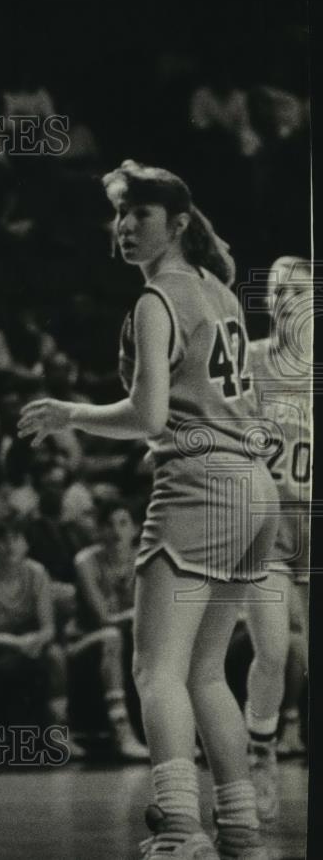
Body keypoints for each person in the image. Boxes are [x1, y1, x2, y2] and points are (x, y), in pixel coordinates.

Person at [19, 159, 277, 860]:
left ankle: (181, 827)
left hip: (200, 485)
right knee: (205, 672)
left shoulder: (156, 299)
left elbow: (149, 413)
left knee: (156, 670)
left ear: (179, 223)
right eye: (121, 213)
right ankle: (243, 829)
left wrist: (69, 411)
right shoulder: (221, 291)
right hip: (255, 487)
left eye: (142, 213)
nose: (127, 225)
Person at [243, 255, 312, 821]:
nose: (287, 297)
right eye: (278, 289)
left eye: (299, 289)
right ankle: (260, 750)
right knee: (273, 647)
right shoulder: (248, 363)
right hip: (265, 524)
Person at [0, 514, 70, 742]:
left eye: (16, 539)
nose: (10, 546)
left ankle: (59, 731)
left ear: (26, 543)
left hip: (26, 643)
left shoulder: (37, 572)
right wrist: (15, 643)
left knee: (56, 656)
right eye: (3, 540)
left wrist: (37, 640)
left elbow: (48, 627)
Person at [69, 500, 149, 761]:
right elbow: (103, 618)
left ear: (136, 528)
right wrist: (138, 614)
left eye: (123, 523)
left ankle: (172, 731)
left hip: (132, 637)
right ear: (98, 531)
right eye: (108, 524)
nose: (116, 530)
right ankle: (122, 732)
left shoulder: (146, 558)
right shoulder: (86, 561)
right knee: (112, 636)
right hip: (86, 641)